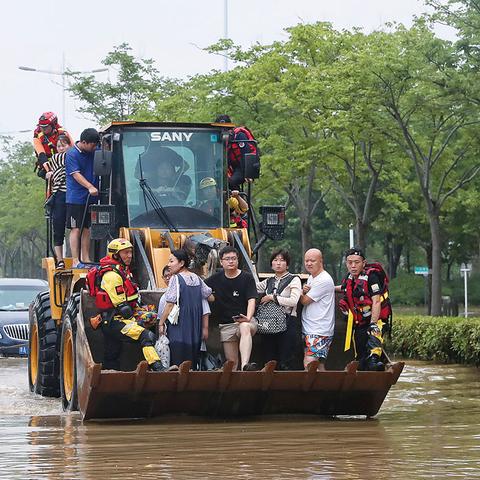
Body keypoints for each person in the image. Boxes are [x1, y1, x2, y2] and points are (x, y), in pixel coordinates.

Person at [95, 238, 165, 372]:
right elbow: (124, 309)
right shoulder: (112, 276)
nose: (129, 256)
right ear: (115, 255)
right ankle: (157, 367)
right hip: (114, 321)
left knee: (112, 353)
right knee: (146, 335)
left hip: (116, 320)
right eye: (125, 253)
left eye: (130, 252)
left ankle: (110, 376)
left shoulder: (123, 271)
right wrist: (137, 321)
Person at [205, 246, 258, 371]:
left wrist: (248, 317)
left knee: (244, 327)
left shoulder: (247, 278)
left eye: (233, 258)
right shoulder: (215, 279)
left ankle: (245, 365)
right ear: (221, 262)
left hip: (245, 321)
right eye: (227, 259)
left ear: (238, 260)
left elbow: (252, 299)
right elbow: (200, 288)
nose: (231, 261)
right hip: (226, 324)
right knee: (232, 362)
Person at [336, 248, 390, 372]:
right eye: (350, 262)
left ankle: (374, 361)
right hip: (360, 322)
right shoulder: (349, 278)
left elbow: (376, 301)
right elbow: (343, 288)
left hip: (376, 320)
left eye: (357, 262)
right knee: (360, 349)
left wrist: (373, 323)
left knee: (373, 337)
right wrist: (326, 288)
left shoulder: (372, 277)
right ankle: (362, 366)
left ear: (363, 263)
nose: (353, 266)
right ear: (346, 264)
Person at [157, 249, 212, 369]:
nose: (169, 264)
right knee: (191, 355)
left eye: (171, 261)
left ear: (181, 263)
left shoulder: (175, 279)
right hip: (195, 323)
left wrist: (161, 323)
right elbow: (209, 295)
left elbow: (170, 303)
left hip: (180, 322)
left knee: (177, 354)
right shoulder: (197, 278)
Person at [256, 249, 302, 370]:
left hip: (287, 322)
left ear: (287, 264)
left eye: (282, 260)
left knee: (286, 359)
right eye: (275, 260)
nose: (278, 263)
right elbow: (253, 287)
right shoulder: (269, 281)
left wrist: (272, 297)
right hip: (268, 323)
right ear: (271, 264)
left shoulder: (294, 279)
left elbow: (293, 301)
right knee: (268, 358)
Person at [65, 128, 100, 267]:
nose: (94, 147)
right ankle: (75, 260)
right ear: (84, 142)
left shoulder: (94, 151)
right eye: (92, 145)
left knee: (87, 228)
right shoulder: (72, 154)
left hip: (90, 198)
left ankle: (85, 258)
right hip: (76, 198)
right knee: (76, 228)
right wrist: (90, 186)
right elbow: (76, 174)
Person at [299, 248, 335, 372]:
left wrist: (295, 290)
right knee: (319, 365)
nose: (309, 263)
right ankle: (325, 390)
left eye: (312, 261)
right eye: (306, 261)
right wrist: (303, 290)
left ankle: (311, 391)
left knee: (309, 364)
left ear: (321, 261)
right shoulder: (312, 277)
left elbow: (304, 301)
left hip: (319, 330)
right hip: (312, 328)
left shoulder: (323, 279)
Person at [43, 134, 72, 268]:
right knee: (58, 229)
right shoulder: (56, 158)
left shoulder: (72, 156)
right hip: (60, 194)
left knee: (75, 228)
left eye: (63, 145)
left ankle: (75, 257)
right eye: (59, 146)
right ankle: (60, 259)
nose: (61, 148)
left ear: (69, 145)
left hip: (71, 195)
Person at [215, 114, 257, 190]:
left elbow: (246, 153)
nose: (224, 132)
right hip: (232, 168)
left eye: (226, 129)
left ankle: (238, 199)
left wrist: (248, 174)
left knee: (231, 182)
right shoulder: (221, 143)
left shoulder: (239, 136)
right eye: (221, 130)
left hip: (243, 167)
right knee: (220, 182)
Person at [33, 112, 74, 179]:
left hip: (65, 164)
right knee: (44, 174)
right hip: (47, 166)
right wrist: (49, 170)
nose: (43, 129)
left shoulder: (62, 133)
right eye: (41, 127)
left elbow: (73, 149)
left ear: (53, 125)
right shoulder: (37, 136)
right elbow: (41, 154)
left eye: (46, 127)